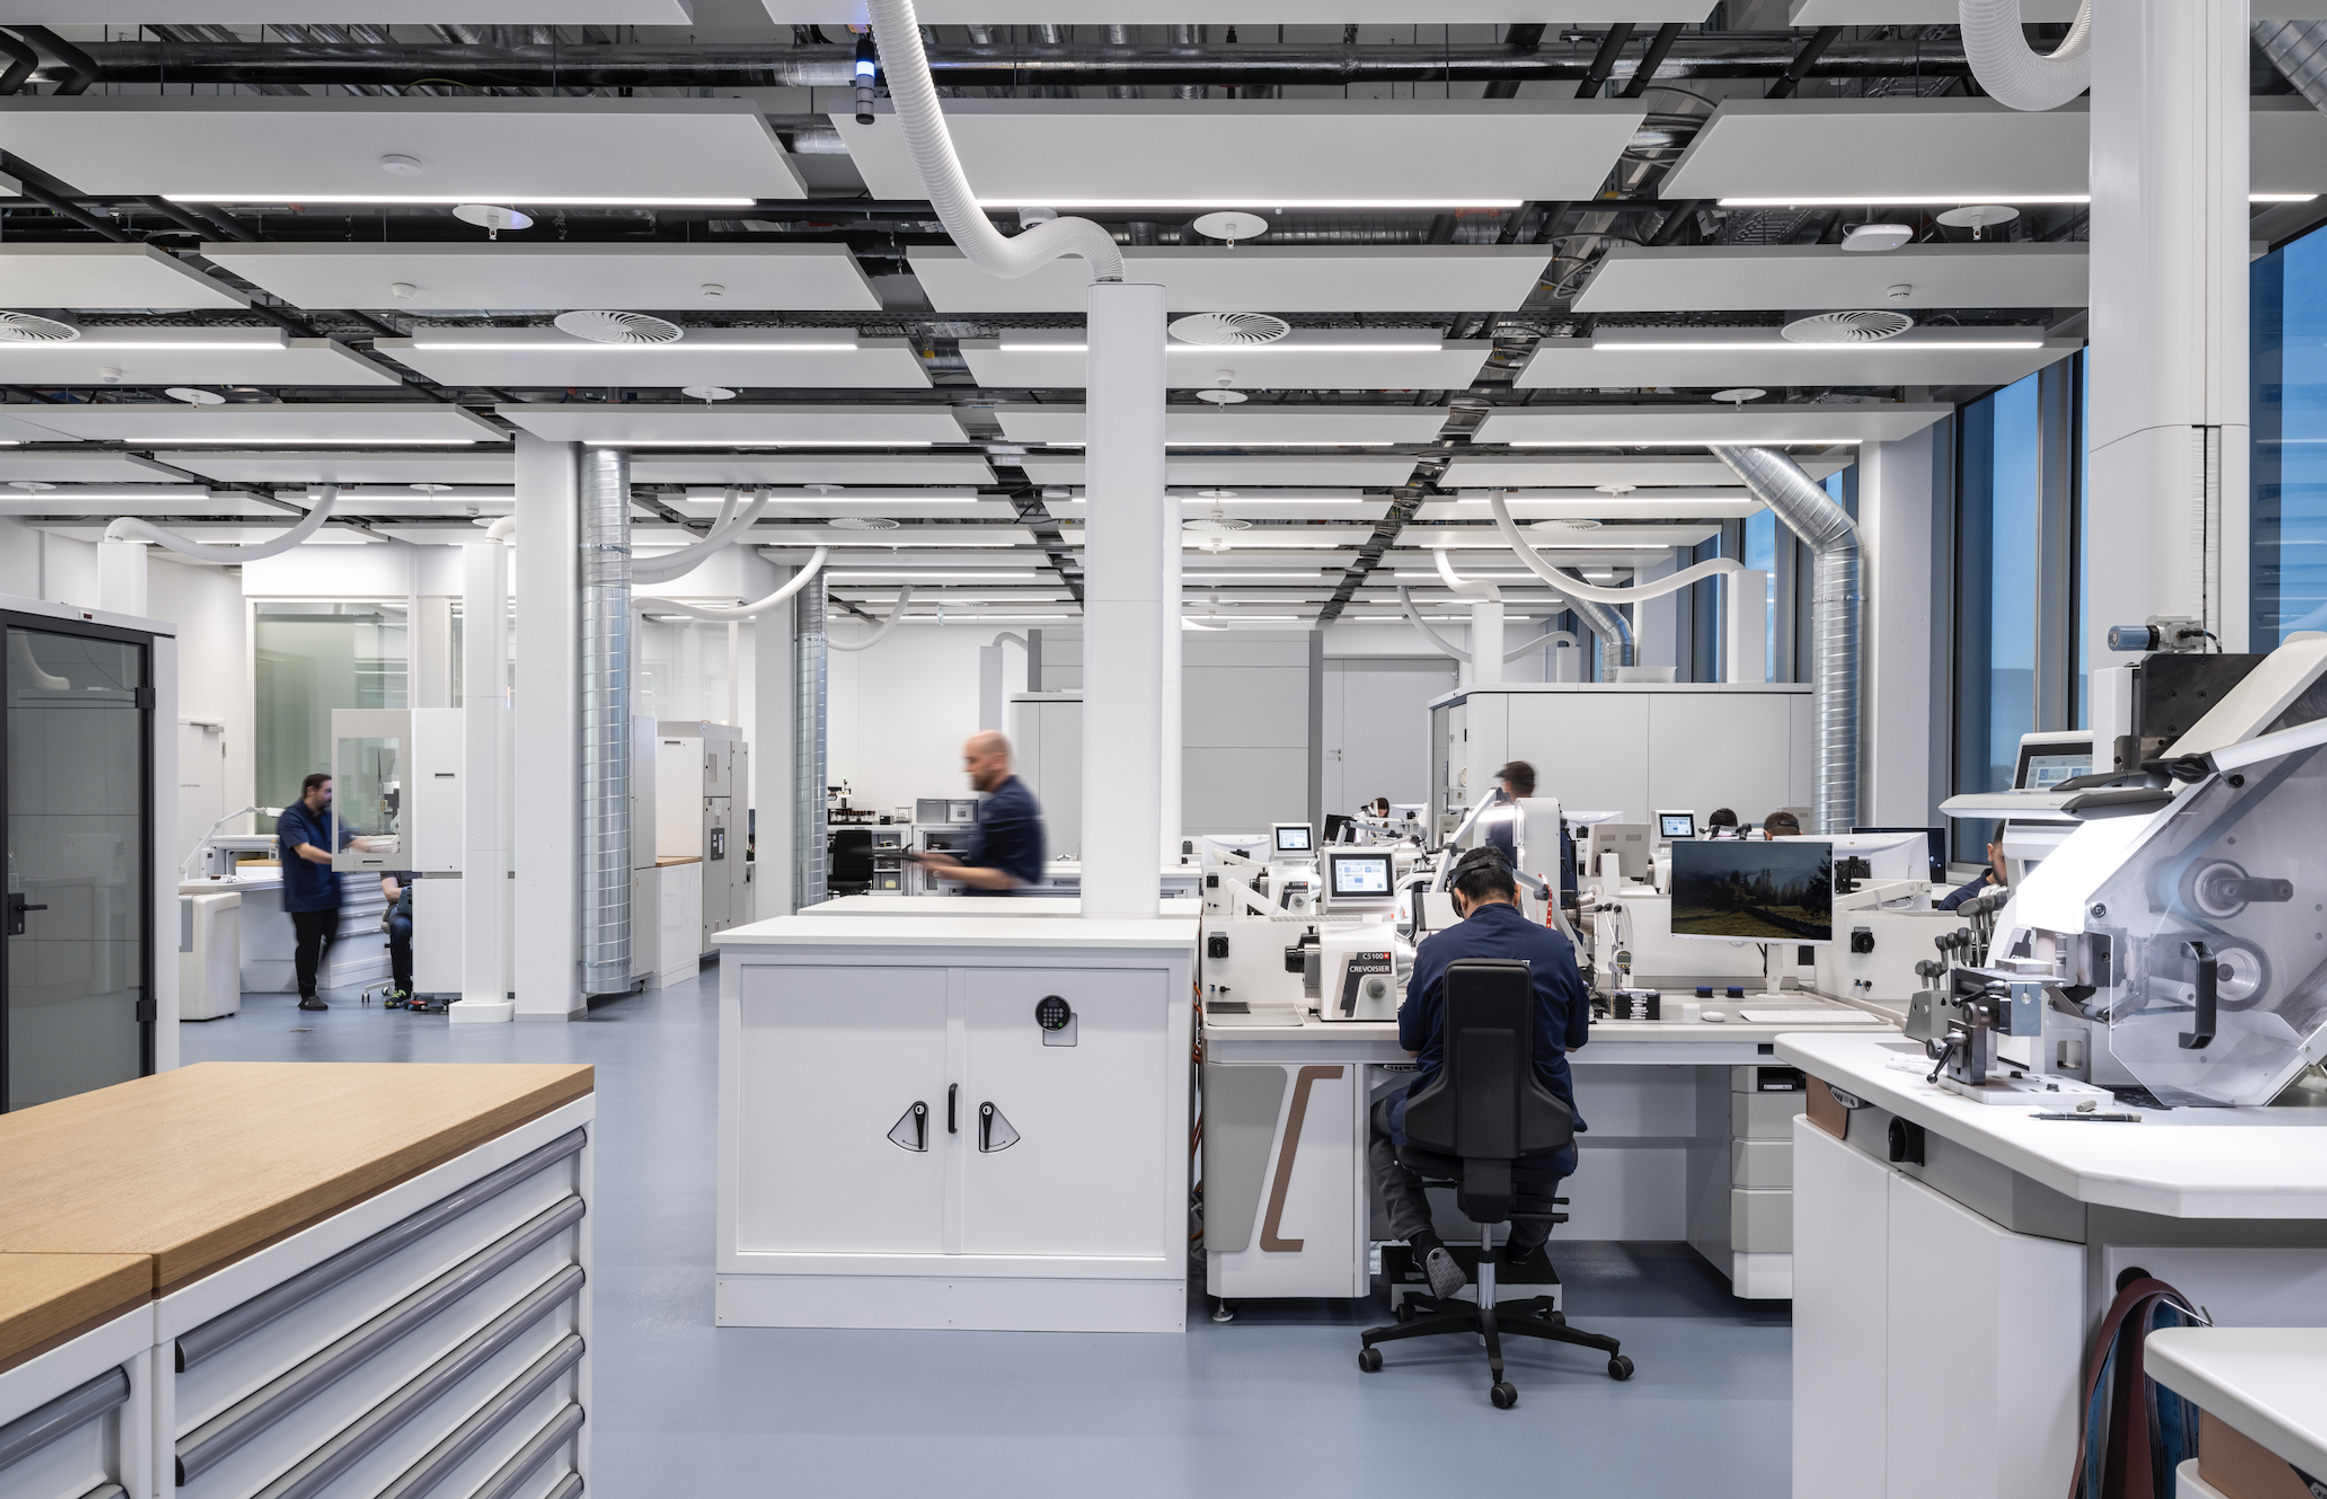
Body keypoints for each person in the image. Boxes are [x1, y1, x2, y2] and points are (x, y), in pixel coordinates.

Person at [1370, 847, 1589, 1301]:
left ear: (1458, 898)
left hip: (1442, 1121)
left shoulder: (1435, 950)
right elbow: (1574, 1039)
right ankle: (1526, 1243)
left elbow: (1410, 1044)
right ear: (1515, 895)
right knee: (1543, 1114)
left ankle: (1423, 1242)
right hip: (1537, 1124)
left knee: (1379, 1122)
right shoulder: (1556, 946)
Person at [904, 731, 1045, 895]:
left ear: (997, 761)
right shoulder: (998, 801)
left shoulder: (1010, 804)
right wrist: (947, 861)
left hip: (996, 912)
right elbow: (986, 866)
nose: (967, 769)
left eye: (973, 761)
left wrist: (942, 870)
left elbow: (1004, 878)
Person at [275, 773, 354, 1012]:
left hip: (330, 891)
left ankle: (307, 974)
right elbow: (304, 850)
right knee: (308, 944)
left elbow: (350, 840)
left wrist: (380, 852)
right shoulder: (291, 817)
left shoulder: (329, 817)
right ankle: (307, 993)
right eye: (327, 791)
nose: (330, 796)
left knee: (334, 933)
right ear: (311, 790)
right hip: (305, 894)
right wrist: (339, 861)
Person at [1481, 760, 1536, 861]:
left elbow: (1492, 867)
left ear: (1508, 786)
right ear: (1533, 786)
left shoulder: (1502, 825)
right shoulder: (1552, 818)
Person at [1938, 840, 2009, 912]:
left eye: (2019, 861)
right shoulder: (1957, 902)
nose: (2011, 868)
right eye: (2004, 859)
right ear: (1991, 853)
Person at [381, 870, 416, 1007]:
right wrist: (426, 890)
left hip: (436, 905)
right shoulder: (393, 859)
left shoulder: (438, 857)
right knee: (400, 927)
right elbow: (390, 893)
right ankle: (402, 987)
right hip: (402, 907)